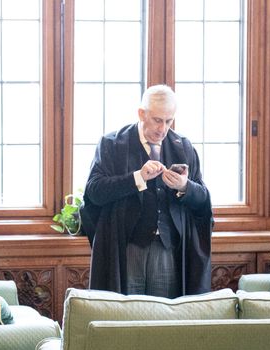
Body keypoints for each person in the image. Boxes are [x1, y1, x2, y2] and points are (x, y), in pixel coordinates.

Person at [81, 84, 213, 298]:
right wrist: (137, 178)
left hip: (167, 249)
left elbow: (204, 199)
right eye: (157, 120)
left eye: (169, 121)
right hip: (127, 247)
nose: (163, 129)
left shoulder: (184, 147)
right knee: (125, 317)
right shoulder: (112, 144)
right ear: (141, 114)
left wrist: (184, 187)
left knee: (162, 320)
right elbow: (94, 192)